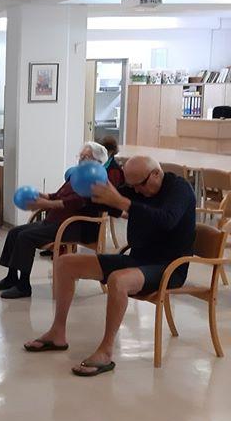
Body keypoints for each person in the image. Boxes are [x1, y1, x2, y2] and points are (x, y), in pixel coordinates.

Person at [24, 156, 196, 376]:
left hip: (169, 267)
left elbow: (166, 219)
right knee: (65, 264)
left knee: (118, 280)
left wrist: (122, 202)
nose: (136, 190)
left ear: (156, 174)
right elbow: (97, 203)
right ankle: (57, 333)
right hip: (138, 259)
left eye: (139, 185)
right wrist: (51, 200)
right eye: (131, 186)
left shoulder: (180, 189)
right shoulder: (138, 187)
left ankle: (106, 351)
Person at [0, 141, 121, 299]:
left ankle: (23, 285)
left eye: (85, 157)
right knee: (14, 232)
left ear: (97, 161)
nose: (81, 159)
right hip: (56, 221)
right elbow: (60, 195)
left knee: (25, 237)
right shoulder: (77, 175)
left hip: (74, 226)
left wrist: (45, 204)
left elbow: (76, 201)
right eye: (80, 156)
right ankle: (11, 277)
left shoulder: (96, 180)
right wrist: (44, 196)